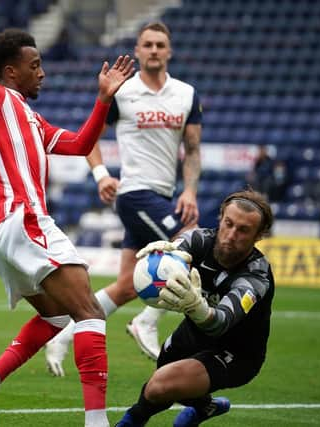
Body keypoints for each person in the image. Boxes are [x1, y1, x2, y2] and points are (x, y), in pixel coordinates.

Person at [0, 5, 134, 427]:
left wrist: (103, 100)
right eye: (35, 65)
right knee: (90, 314)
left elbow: (81, 144)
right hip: (19, 218)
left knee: (58, 317)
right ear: (11, 72)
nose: (42, 72)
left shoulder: (30, 117)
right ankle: (97, 424)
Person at [44, 20, 202, 372]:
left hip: (165, 194)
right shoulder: (123, 92)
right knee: (191, 246)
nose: (154, 50)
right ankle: (147, 321)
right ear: (137, 50)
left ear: (170, 50)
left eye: (160, 44)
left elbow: (192, 149)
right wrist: (101, 174)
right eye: (148, 44)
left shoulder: (187, 94)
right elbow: (90, 136)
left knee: (127, 287)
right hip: (133, 193)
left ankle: (64, 336)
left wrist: (190, 190)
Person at [115, 189, 275, 427]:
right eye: (228, 224)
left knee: (160, 385)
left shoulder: (256, 276)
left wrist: (197, 306)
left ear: (259, 236)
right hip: (194, 334)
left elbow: (220, 322)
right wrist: (167, 256)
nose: (231, 235)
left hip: (237, 353)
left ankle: (129, 422)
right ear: (221, 218)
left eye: (243, 230)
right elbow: (181, 247)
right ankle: (206, 407)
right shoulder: (200, 239)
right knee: (167, 379)